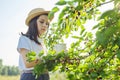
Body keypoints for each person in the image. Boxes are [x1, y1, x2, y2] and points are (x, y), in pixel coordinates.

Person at [17, 8, 53, 80]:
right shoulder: (24, 39)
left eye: (47, 24)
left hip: (45, 76)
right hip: (30, 76)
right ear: (33, 22)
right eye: (41, 22)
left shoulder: (42, 42)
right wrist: (49, 60)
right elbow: (28, 63)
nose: (45, 25)